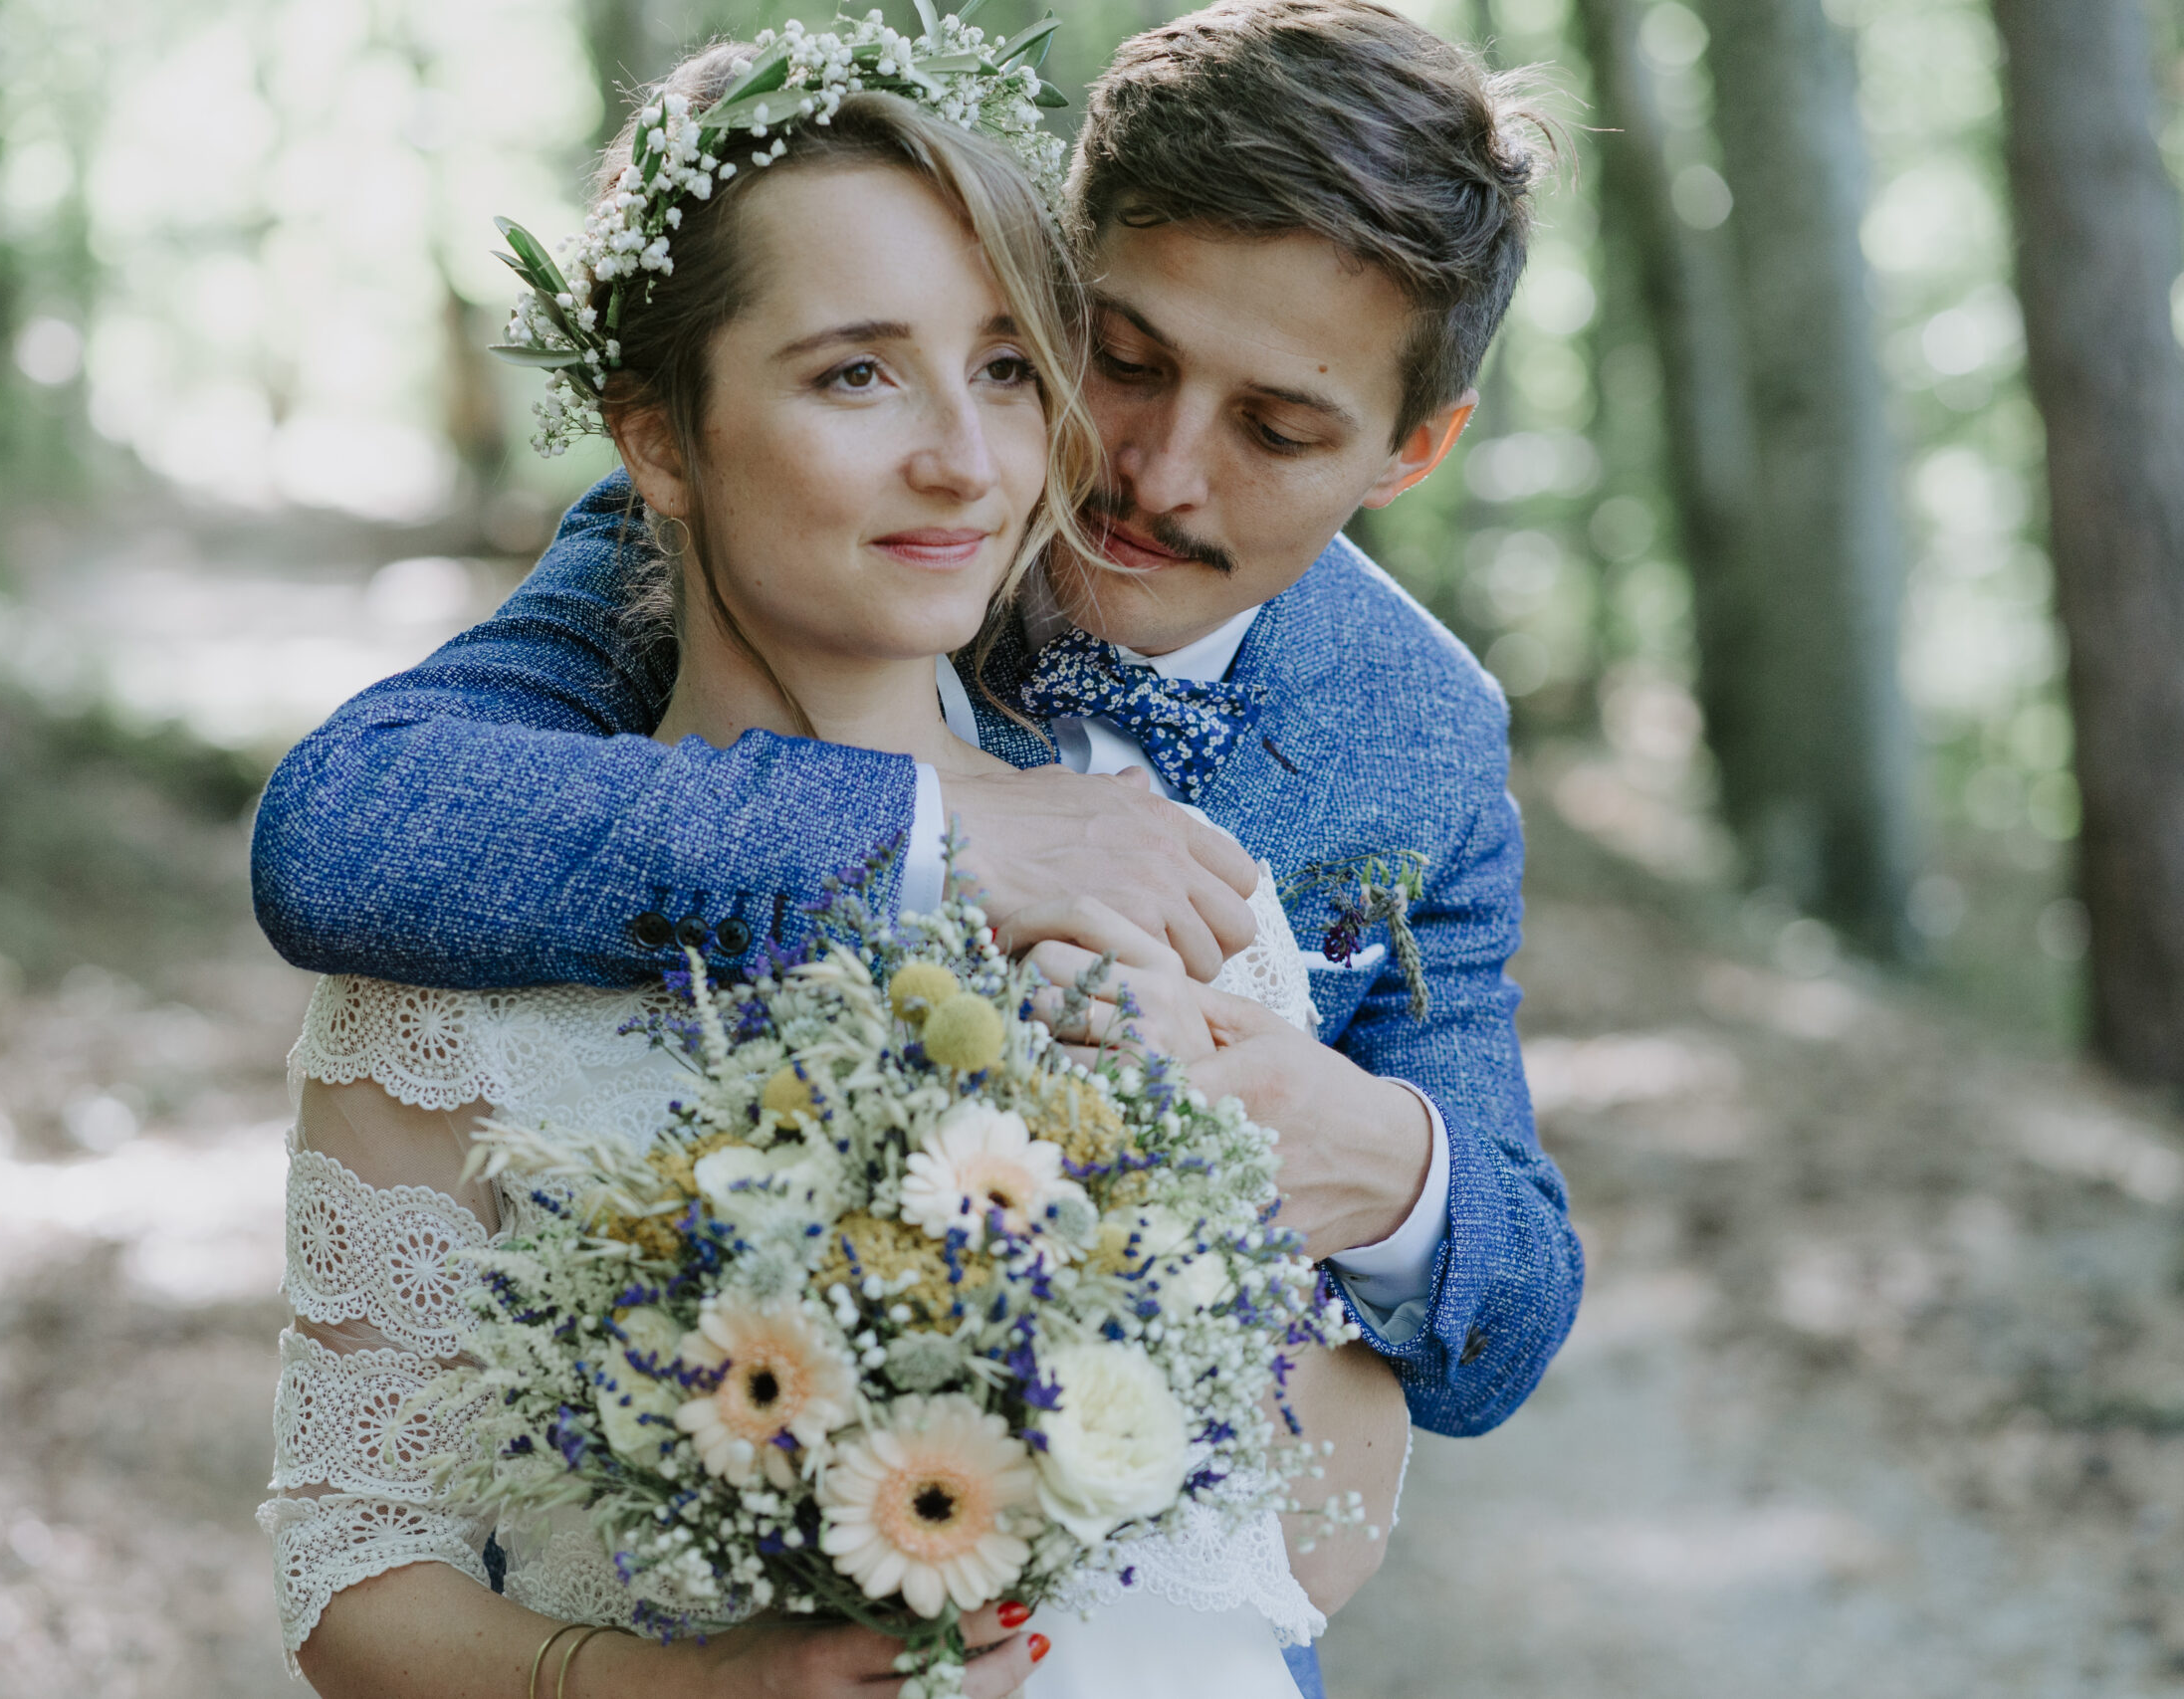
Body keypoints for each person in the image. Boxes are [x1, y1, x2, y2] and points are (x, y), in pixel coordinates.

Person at [256, 2, 1582, 1692]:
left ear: (1412, 449)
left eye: (1277, 429)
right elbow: (353, 825)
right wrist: (929, 833)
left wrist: (1369, 1163)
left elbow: (1473, 1346)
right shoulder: (788, 507)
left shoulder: (1419, 736)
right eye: (1119, 356)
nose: (1149, 474)